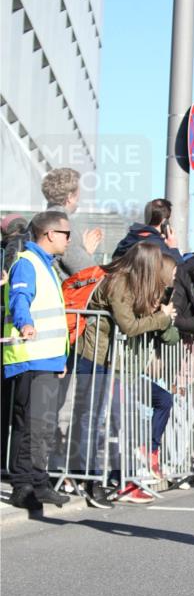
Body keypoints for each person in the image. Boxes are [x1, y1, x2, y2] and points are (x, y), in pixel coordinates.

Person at [74, 243, 177, 505]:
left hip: (107, 359)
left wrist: (157, 314)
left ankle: (94, 477)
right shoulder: (119, 282)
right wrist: (162, 318)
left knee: (101, 421)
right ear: (145, 265)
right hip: (93, 356)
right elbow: (129, 326)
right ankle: (91, 481)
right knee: (92, 421)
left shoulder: (131, 284)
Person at [2, 210, 72, 508]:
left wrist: (61, 357)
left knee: (40, 425)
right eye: (67, 234)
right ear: (51, 234)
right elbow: (20, 298)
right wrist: (24, 323)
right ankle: (23, 486)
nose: (70, 240)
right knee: (30, 425)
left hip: (46, 357)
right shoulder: (27, 264)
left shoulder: (45, 265)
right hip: (30, 356)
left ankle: (38, 483)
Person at [41, 167, 103, 278]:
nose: (79, 199)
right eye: (78, 195)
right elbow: (85, 271)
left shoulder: (37, 222)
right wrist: (86, 252)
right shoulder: (64, 225)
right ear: (70, 197)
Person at [112, 198, 182, 263]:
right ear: (164, 221)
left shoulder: (128, 239)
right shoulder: (158, 246)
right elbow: (180, 272)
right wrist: (173, 248)